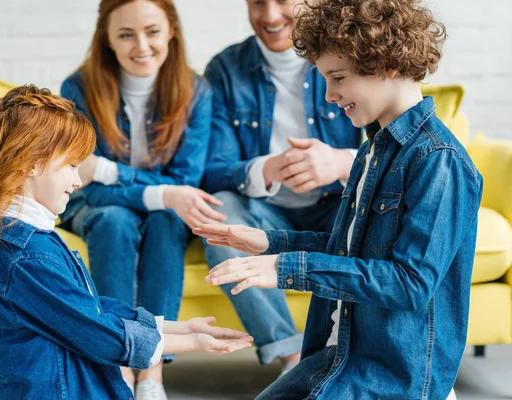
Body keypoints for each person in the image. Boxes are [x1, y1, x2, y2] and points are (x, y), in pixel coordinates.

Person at [195, 0, 483, 398]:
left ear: (386, 64)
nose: (330, 95)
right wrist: (269, 243)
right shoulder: (373, 150)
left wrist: (285, 268)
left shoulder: (439, 162)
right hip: (340, 354)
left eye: (337, 78)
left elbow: (410, 284)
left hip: (392, 374)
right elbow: (351, 250)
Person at [0, 85, 252, 400]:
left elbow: (90, 310)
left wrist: (183, 328)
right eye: (71, 166)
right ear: (31, 163)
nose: (78, 181)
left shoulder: (32, 242)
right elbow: (99, 333)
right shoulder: (27, 256)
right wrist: (194, 344)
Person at [59, 1, 221, 396]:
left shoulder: (197, 91)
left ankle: (151, 372)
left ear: (171, 32)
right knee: (115, 219)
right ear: (108, 40)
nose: (141, 45)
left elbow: (183, 180)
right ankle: (118, 365)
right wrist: (160, 191)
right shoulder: (78, 87)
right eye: (125, 34)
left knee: (166, 221)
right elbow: (85, 181)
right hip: (94, 206)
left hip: (160, 212)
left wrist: (110, 170)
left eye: (151, 31)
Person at [201, 0, 362, 373]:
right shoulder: (226, 69)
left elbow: (386, 146)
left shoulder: (349, 53)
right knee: (220, 215)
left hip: (336, 203)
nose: (270, 16)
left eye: (283, 0)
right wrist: (267, 169)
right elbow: (212, 171)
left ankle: (350, 353)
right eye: (258, 2)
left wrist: (338, 163)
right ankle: (293, 360)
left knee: (369, 217)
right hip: (263, 210)